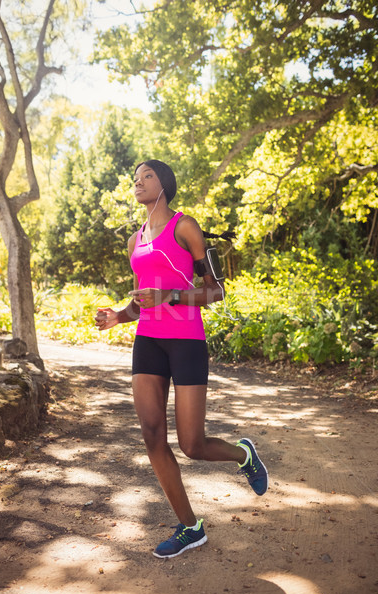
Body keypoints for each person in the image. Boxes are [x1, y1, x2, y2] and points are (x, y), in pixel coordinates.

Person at [95, 159, 268, 559]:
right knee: (152, 435)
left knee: (192, 444)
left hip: (186, 340)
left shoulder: (185, 227)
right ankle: (191, 527)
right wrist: (117, 317)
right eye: (135, 178)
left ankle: (244, 454)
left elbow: (216, 291)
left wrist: (171, 297)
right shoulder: (133, 241)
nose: (138, 182)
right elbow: (142, 300)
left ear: (165, 184)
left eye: (147, 176)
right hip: (148, 342)